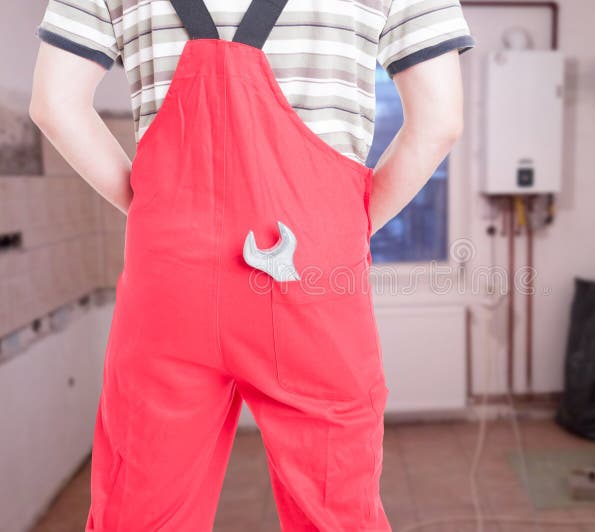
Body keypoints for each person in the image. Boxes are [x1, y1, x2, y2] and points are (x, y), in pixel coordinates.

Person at [30, 0, 475, 530]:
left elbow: (55, 104)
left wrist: (152, 210)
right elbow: (440, 121)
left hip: (170, 281)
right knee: (333, 509)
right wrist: (341, 230)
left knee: (141, 511)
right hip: (311, 282)